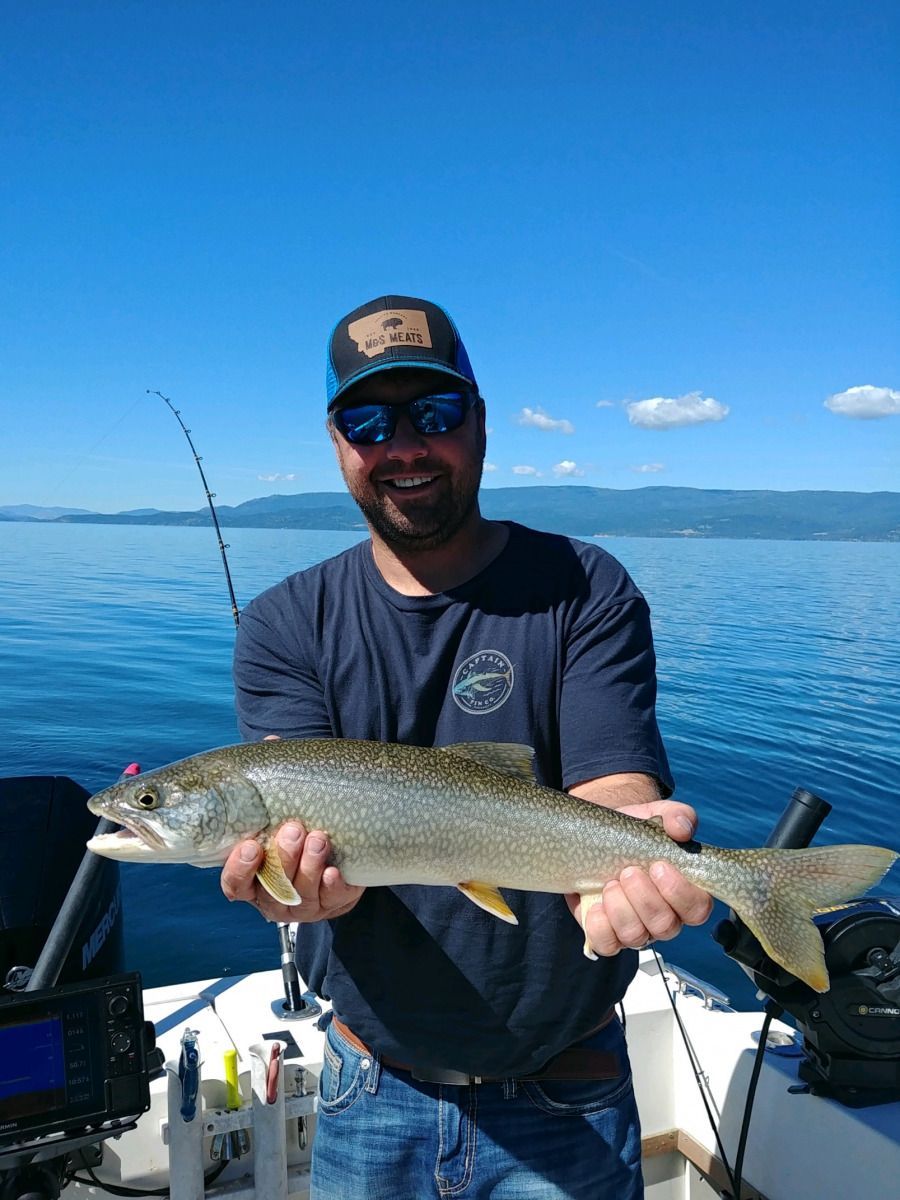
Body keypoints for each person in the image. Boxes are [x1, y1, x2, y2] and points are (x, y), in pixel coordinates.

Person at [221, 294, 712, 1200]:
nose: (402, 446)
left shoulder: (582, 585)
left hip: (570, 1090)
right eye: (367, 421)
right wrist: (297, 898)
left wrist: (629, 867)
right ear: (337, 443)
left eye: (434, 414)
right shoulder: (286, 622)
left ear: (480, 424)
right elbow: (301, 845)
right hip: (367, 1088)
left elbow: (613, 784)